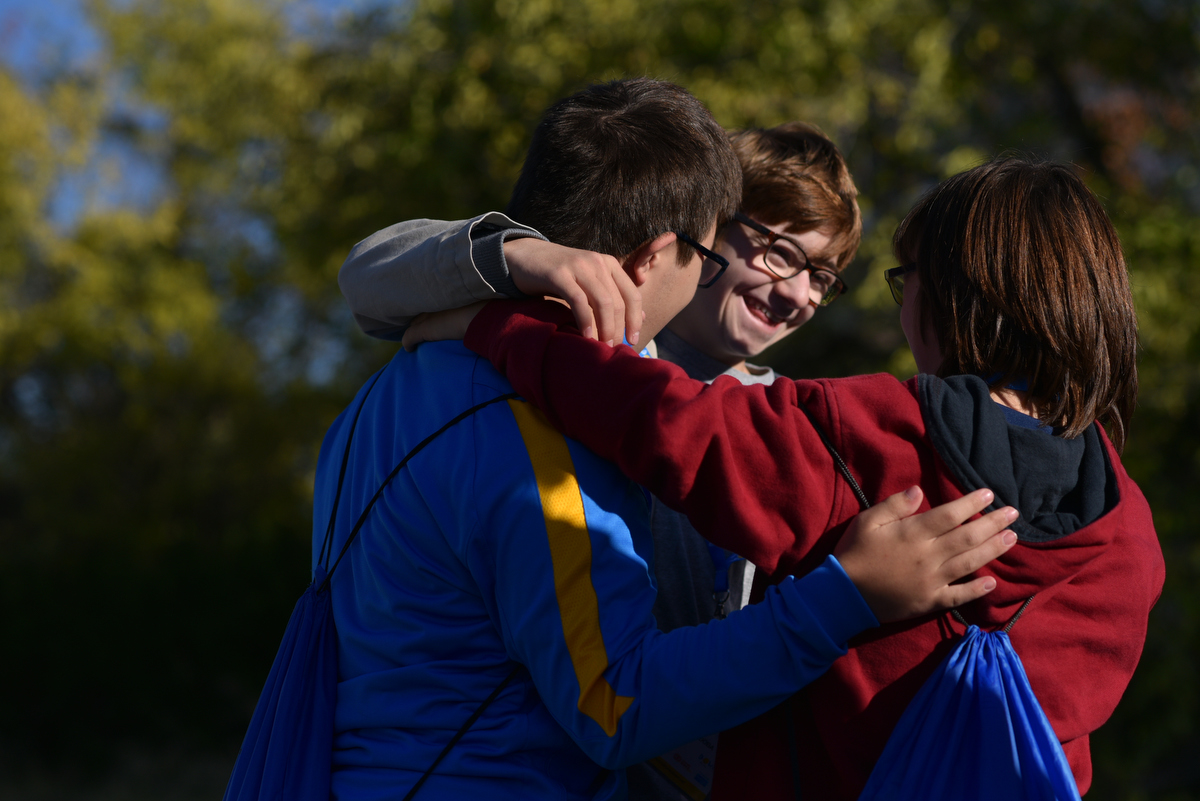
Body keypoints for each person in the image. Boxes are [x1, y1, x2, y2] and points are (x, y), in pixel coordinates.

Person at [317, 78, 1016, 801]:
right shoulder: (549, 402)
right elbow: (617, 700)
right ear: (678, 241)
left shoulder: (427, 369)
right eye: (775, 251)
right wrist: (514, 259)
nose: (800, 292)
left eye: (825, 277)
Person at [407, 157, 1166, 798]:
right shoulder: (1131, 538)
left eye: (906, 285)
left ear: (949, 296)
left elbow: (663, 419)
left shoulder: (875, 437)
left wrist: (495, 321)